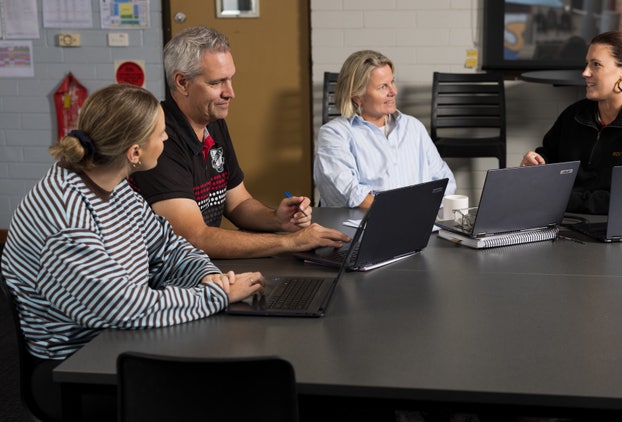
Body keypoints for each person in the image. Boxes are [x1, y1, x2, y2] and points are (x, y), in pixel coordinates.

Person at [0, 83, 265, 421]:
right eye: (161, 134)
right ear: (135, 152)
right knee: (226, 391)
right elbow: (123, 307)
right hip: (77, 368)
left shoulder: (113, 186)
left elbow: (167, 246)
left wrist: (206, 275)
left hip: (119, 339)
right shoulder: (65, 216)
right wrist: (216, 296)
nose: (168, 140)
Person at [129, 26, 350, 258]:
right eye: (216, 83)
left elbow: (237, 203)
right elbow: (195, 238)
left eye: (230, 79)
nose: (230, 92)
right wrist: (291, 242)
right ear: (182, 82)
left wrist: (277, 219)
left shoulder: (211, 121)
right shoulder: (159, 139)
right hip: (169, 278)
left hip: (201, 267)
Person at [521, 31, 622, 214]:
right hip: (566, 222)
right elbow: (549, 158)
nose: (585, 73)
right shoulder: (573, 115)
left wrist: (564, 200)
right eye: (587, 64)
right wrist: (535, 164)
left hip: (619, 228)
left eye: (596, 65)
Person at [314, 49, 457, 208]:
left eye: (392, 82)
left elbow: (445, 181)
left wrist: (424, 214)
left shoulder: (413, 127)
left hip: (418, 222)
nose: (394, 92)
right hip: (362, 227)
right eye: (383, 87)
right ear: (357, 96)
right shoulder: (334, 134)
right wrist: (404, 213)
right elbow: (351, 194)